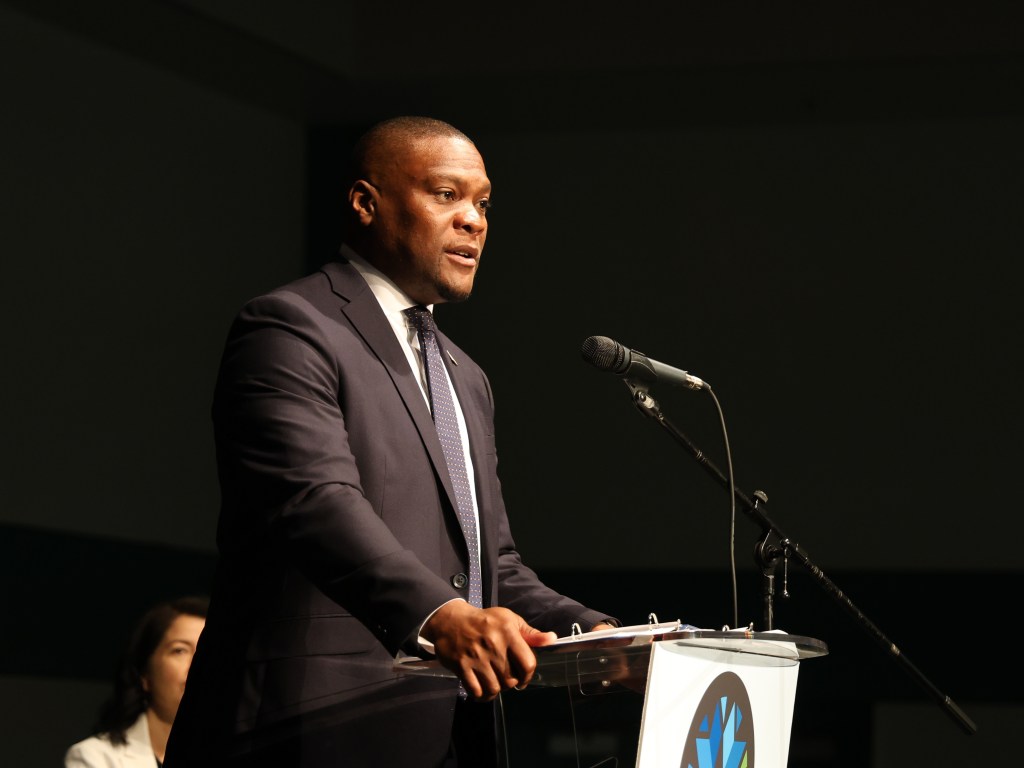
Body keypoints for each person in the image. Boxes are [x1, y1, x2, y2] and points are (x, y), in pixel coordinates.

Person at [163, 116, 619, 768]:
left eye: (483, 204)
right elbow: (313, 504)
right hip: (306, 731)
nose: (474, 221)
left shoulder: (466, 377)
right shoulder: (291, 328)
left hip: (447, 738)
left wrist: (600, 635)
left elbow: (493, 567)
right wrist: (445, 615)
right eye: (446, 195)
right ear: (365, 203)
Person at [65, 596, 209, 768]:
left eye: (207, 650)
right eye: (180, 650)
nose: (197, 663)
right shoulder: (95, 758)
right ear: (144, 673)